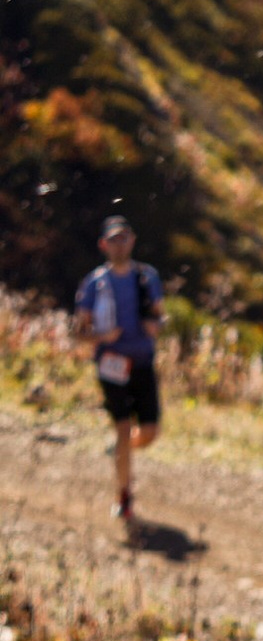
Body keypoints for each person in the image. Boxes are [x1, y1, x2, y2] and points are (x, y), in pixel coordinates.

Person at [75, 215, 165, 524]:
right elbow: (80, 331)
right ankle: (123, 495)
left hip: (142, 362)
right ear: (103, 244)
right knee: (124, 427)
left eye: (124, 237)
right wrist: (102, 336)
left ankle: (120, 451)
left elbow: (160, 316)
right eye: (113, 239)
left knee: (150, 432)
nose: (119, 243)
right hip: (111, 364)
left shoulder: (147, 278)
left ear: (133, 240)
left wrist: (156, 325)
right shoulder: (94, 284)